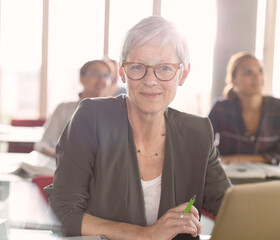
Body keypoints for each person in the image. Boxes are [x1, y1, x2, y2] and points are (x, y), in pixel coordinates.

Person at [45, 16, 231, 240]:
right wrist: (145, 234)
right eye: (137, 67)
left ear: (183, 74)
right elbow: (62, 212)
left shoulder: (198, 132)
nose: (150, 80)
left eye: (164, 68)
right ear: (122, 72)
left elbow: (231, 208)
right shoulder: (92, 118)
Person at [208, 51, 280, 165]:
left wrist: (240, 159)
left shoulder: (277, 108)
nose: (257, 77)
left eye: (260, 71)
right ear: (233, 80)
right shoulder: (221, 108)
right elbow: (202, 145)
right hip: (228, 178)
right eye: (248, 72)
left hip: (271, 180)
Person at [34, 60, 111, 158]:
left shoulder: (114, 114)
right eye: (95, 73)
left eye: (106, 75)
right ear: (82, 78)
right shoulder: (63, 109)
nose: (101, 79)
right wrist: (58, 155)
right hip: (61, 167)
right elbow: (42, 144)